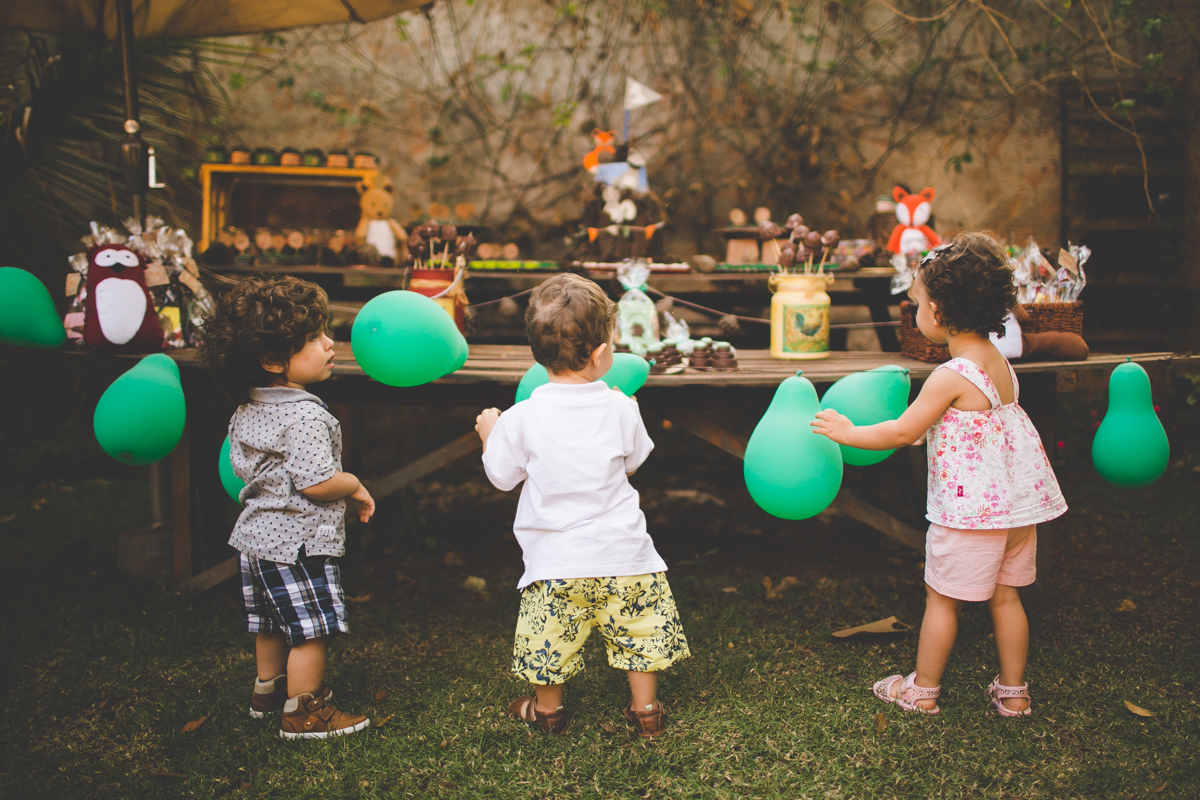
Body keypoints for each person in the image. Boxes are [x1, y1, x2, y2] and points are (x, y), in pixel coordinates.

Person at [812, 232, 1066, 717]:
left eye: (916, 303)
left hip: (970, 515)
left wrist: (847, 431)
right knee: (1007, 600)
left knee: (942, 601)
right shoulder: (1000, 364)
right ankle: (1014, 694)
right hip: (1015, 513)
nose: (914, 312)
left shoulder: (950, 375)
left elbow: (902, 431)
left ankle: (922, 690)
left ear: (939, 311)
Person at [475, 273, 690, 737]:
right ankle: (646, 710)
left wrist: (490, 434)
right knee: (638, 634)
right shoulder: (621, 406)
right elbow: (634, 462)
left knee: (549, 641)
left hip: (555, 564)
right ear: (601, 354)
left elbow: (502, 476)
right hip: (625, 556)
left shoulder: (520, 418)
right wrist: (625, 410)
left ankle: (547, 711)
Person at [203, 276, 375, 739]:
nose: (329, 343)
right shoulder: (304, 415)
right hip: (297, 543)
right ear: (273, 360)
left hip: (256, 539)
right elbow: (317, 483)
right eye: (314, 338)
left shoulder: (247, 408)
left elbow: (243, 466)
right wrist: (354, 484)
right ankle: (304, 713)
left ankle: (268, 691)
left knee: (271, 622)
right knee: (310, 629)